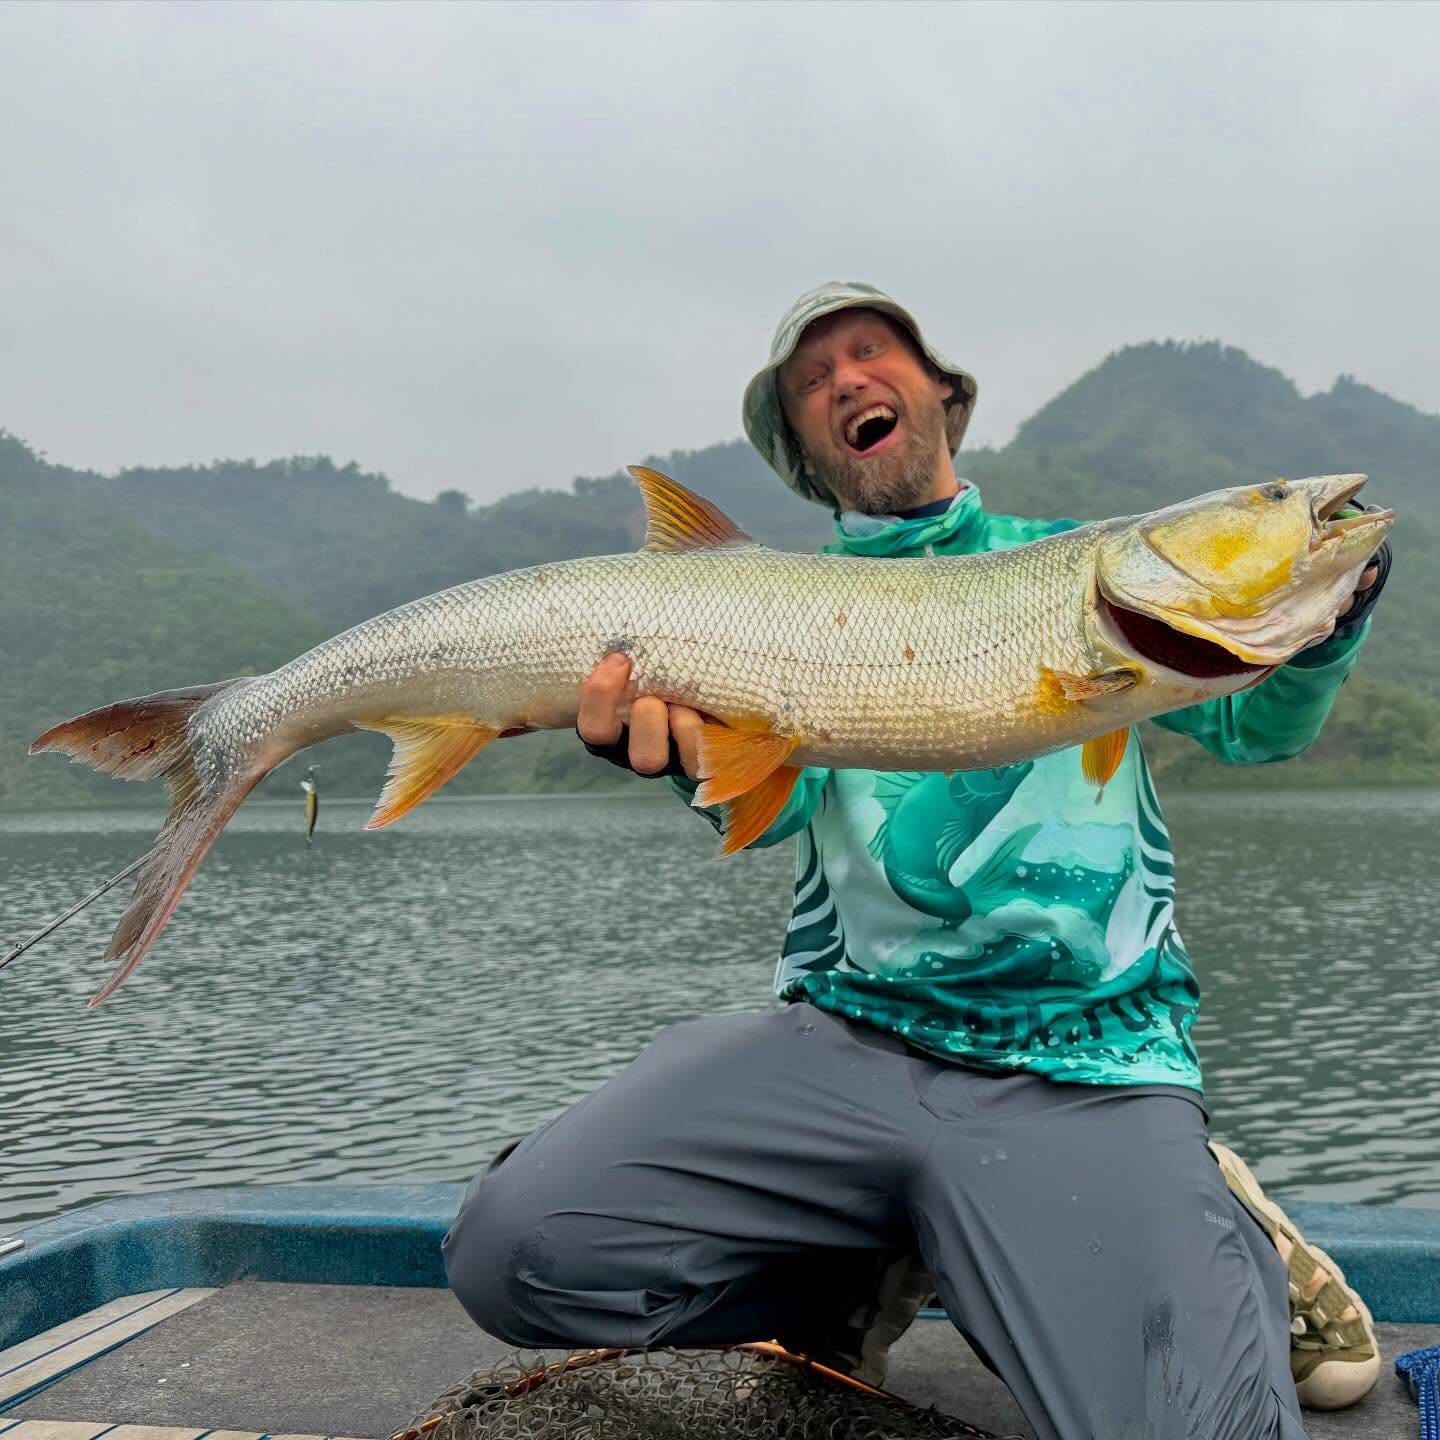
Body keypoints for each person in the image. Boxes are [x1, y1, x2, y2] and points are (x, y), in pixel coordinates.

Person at [444, 282, 1391, 1438]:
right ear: (804, 450)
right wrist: (686, 764)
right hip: (846, 1037)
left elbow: (1263, 728)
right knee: (518, 1255)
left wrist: (1320, 622)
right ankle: (870, 1254)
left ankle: (1197, 1209)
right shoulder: (769, 608)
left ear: (941, 390)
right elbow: (775, 818)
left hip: (1086, 1061)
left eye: (871, 351)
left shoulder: (1070, 569)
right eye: (811, 382)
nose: (846, 379)